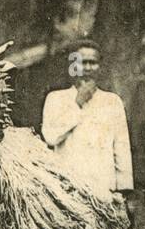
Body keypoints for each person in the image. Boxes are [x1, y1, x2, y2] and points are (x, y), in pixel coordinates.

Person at [40, 39, 133, 201]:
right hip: (67, 191)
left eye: (93, 63)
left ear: (100, 67)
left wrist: (125, 193)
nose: (88, 68)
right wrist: (78, 103)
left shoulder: (112, 101)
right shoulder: (55, 99)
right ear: (73, 66)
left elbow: (122, 148)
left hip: (103, 192)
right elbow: (50, 136)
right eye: (83, 62)